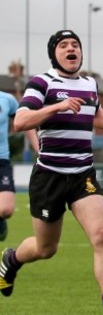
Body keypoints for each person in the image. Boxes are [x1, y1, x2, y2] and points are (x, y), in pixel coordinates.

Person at [0, 29, 103, 315]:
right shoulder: (42, 83)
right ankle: (11, 260)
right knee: (45, 248)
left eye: (75, 44)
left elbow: (96, 112)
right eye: (63, 45)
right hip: (49, 176)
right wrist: (57, 106)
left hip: (82, 175)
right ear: (54, 54)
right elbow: (21, 120)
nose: (70, 49)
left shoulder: (90, 84)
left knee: (101, 235)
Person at [0, 91, 38, 242]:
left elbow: (25, 122)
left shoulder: (7, 99)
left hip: (1, 160)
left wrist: (37, 147)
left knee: (6, 209)